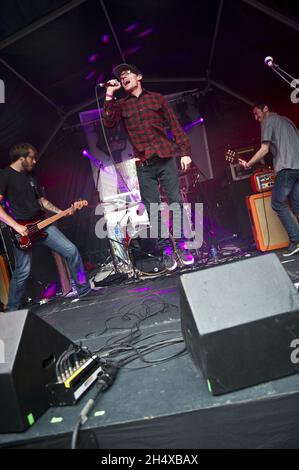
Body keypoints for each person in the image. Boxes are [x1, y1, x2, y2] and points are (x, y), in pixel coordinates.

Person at [102, 63, 194, 270]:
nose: (123, 77)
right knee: (152, 208)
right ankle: (166, 250)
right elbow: (108, 122)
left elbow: (174, 124)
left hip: (165, 157)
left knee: (175, 202)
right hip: (143, 163)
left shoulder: (156, 98)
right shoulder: (122, 105)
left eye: (127, 73)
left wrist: (185, 151)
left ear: (139, 77)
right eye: (121, 76)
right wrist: (109, 93)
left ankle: (181, 245)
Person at [0, 143, 105, 311]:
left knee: (71, 251)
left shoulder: (31, 176)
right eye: (31, 157)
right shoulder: (4, 176)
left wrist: (62, 212)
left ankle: (84, 291)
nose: (34, 161)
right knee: (22, 272)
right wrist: (17, 227)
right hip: (22, 232)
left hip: (43, 225)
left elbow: (42, 201)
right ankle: (12, 310)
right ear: (21, 158)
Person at [239, 102, 299, 257]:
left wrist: (249, 163)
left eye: (257, 113)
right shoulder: (287, 120)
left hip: (286, 168)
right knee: (297, 205)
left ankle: (296, 240)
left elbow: (264, 149)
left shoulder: (268, 120)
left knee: (278, 203)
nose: (256, 118)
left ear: (265, 109)